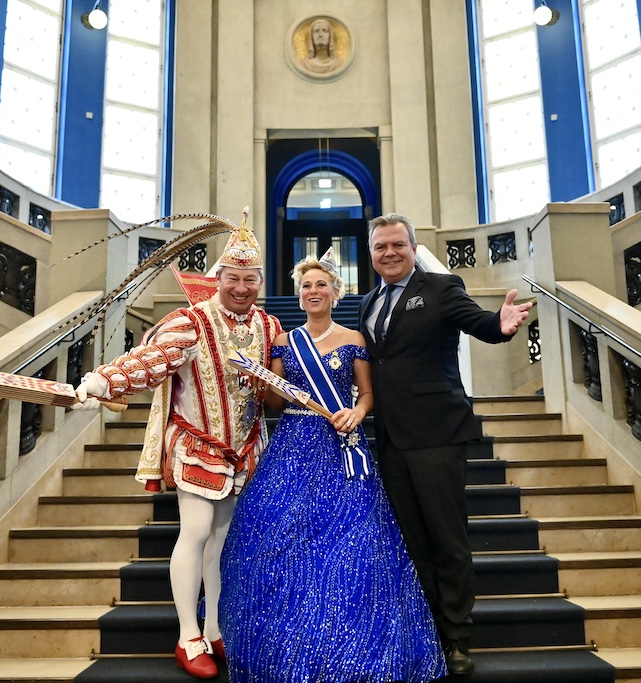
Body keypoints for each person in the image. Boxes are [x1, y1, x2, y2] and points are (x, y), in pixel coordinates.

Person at [219, 248, 447, 683]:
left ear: (336, 293)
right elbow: (272, 402)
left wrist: (357, 414)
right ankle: (283, 642)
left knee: (351, 544)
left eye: (321, 284)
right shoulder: (284, 342)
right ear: (298, 294)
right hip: (293, 443)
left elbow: (366, 395)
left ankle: (353, 640)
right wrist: (260, 381)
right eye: (306, 285)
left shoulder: (355, 340)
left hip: (341, 447)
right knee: (278, 535)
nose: (313, 290)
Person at [74, 213, 282, 679]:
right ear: (219, 279)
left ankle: (214, 627)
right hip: (197, 444)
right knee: (196, 529)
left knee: (224, 538)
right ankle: (188, 634)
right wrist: (103, 381)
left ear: (260, 282)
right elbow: (150, 360)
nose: (242, 287)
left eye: (251, 279)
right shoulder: (189, 322)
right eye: (234, 278)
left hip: (246, 446)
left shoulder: (268, 327)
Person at [358, 213, 533, 676]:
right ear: (371, 254)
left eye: (398, 245)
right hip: (392, 440)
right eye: (381, 247)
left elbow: (475, 321)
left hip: (437, 434)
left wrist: (501, 323)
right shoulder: (368, 302)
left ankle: (457, 640)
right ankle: (428, 633)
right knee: (414, 544)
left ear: (413, 248)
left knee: (448, 542)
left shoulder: (441, 287)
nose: (390, 253)